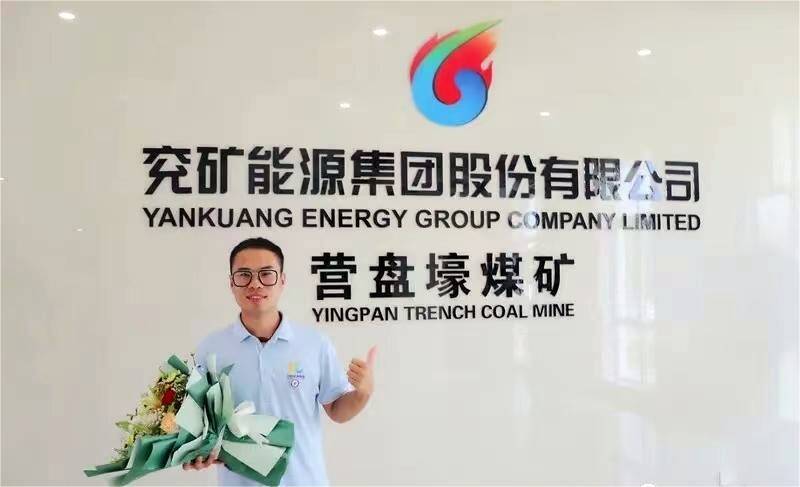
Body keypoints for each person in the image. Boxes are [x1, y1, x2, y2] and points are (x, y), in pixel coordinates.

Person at [184, 237, 375, 485]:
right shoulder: (212, 348)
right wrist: (194, 452)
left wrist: (363, 393)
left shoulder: (314, 344)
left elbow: (337, 410)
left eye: (266, 274)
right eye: (244, 275)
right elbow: (197, 423)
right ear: (231, 283)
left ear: (282, 280)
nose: (255, 284)